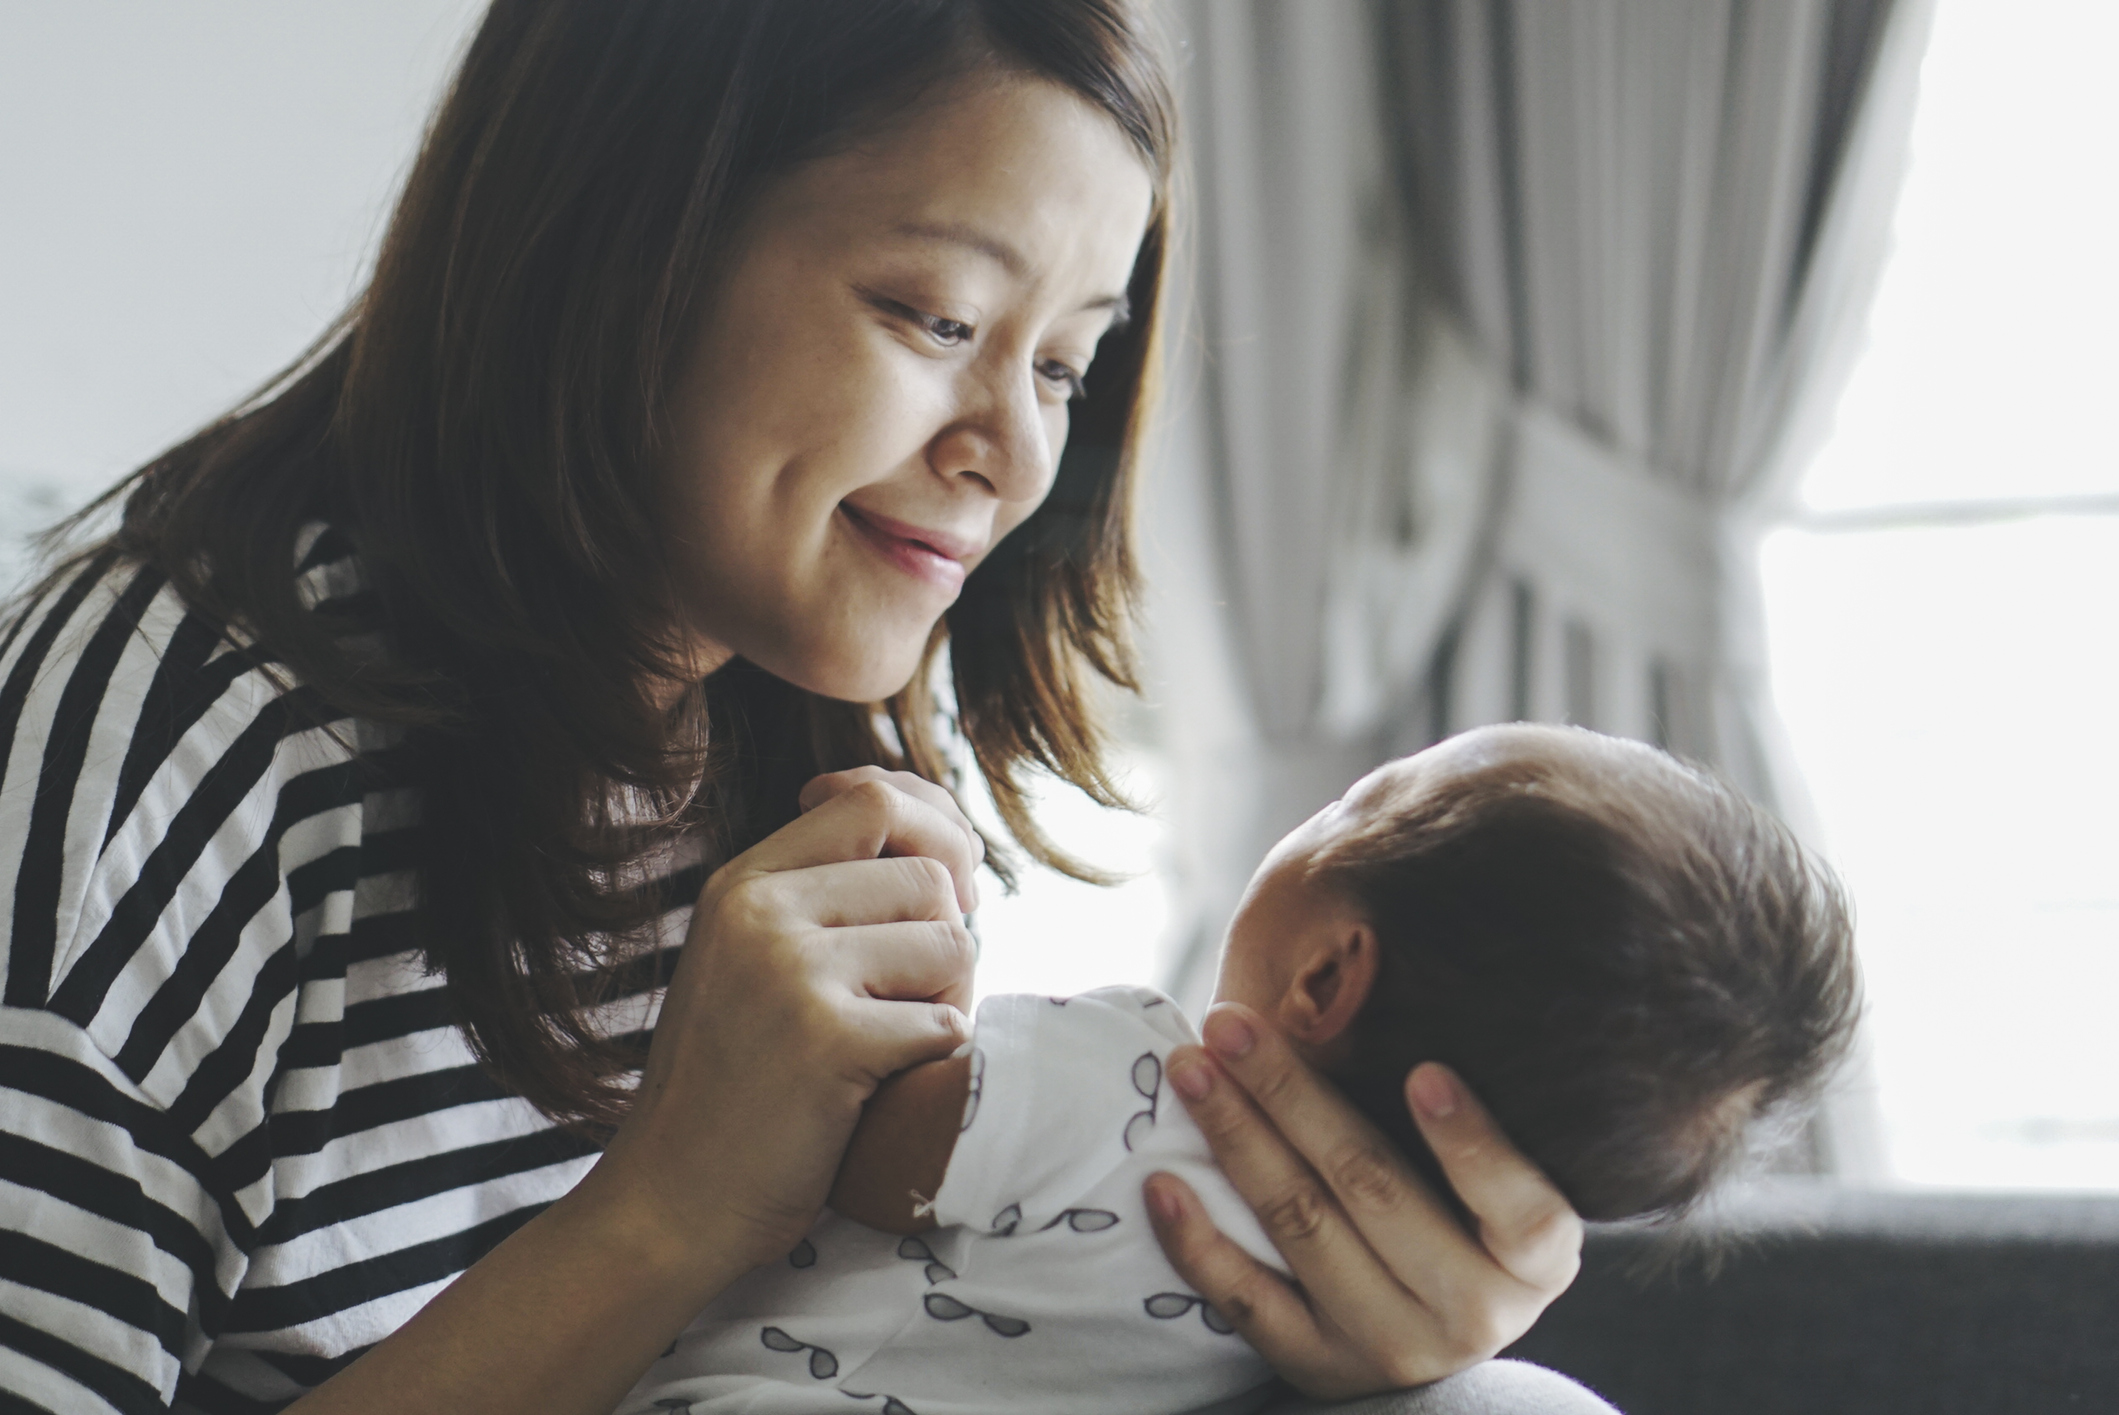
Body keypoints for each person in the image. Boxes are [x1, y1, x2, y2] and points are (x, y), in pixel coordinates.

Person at [0, 4, 1599, 1413]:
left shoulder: (797, 687)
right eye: (936, 320)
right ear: (621, 231)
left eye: (1060, 365)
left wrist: (1296, 1293)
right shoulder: (158, 758)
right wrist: (672, 1201)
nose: (1012, 455)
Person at [619, 723, 1860, 1414]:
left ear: (1325, 977)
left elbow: (858, 1152)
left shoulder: (1129, 1077)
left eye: (1360, 798)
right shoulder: (1362, 1278)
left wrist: (922, 946)